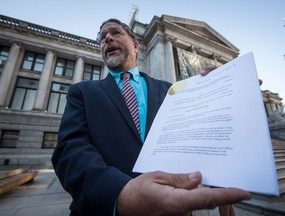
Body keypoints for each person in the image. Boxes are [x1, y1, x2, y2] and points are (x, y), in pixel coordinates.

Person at [51, 18, 251, 216]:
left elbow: (196, 135)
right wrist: (119, 193)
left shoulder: (171, 91)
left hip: (175, 209)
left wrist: (222, 93)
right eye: (102, 37)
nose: (107, 39)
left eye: (116, 32)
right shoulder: (83, 92)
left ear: (136, 45)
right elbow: (70, 150)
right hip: (105, 209)